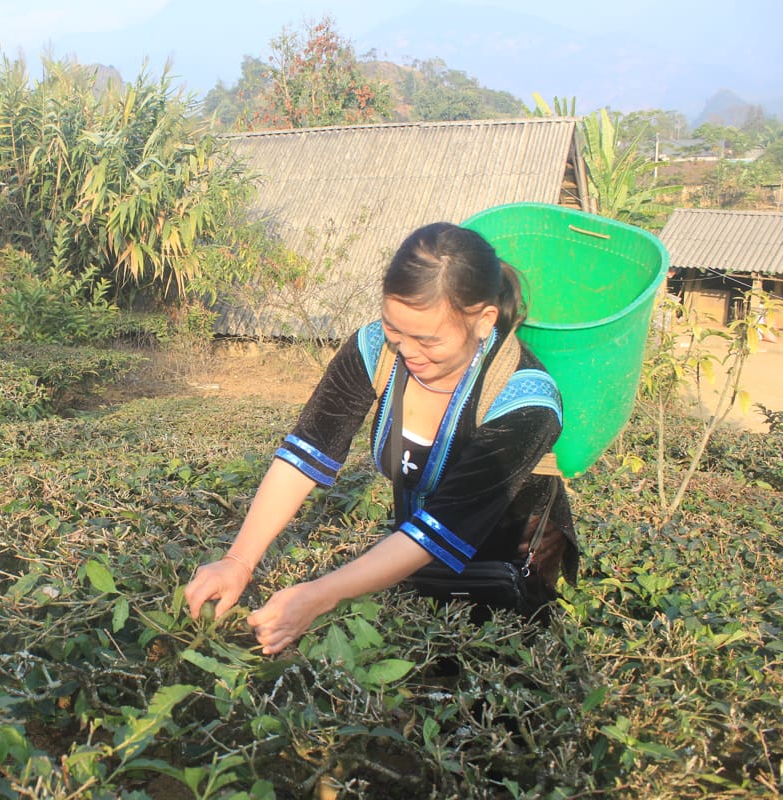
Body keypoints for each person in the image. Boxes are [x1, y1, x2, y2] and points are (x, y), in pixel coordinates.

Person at [184, 222, 577, 655]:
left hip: (505, 566)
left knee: (485, 681)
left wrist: (318, 595)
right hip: (411, 550)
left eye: (428, 340)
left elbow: (445, 528)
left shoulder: (524, 399)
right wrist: (238, 561)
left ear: (483, 321)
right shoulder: (375, 348)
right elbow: (305, 452)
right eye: (395, 329)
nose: (407, 351)